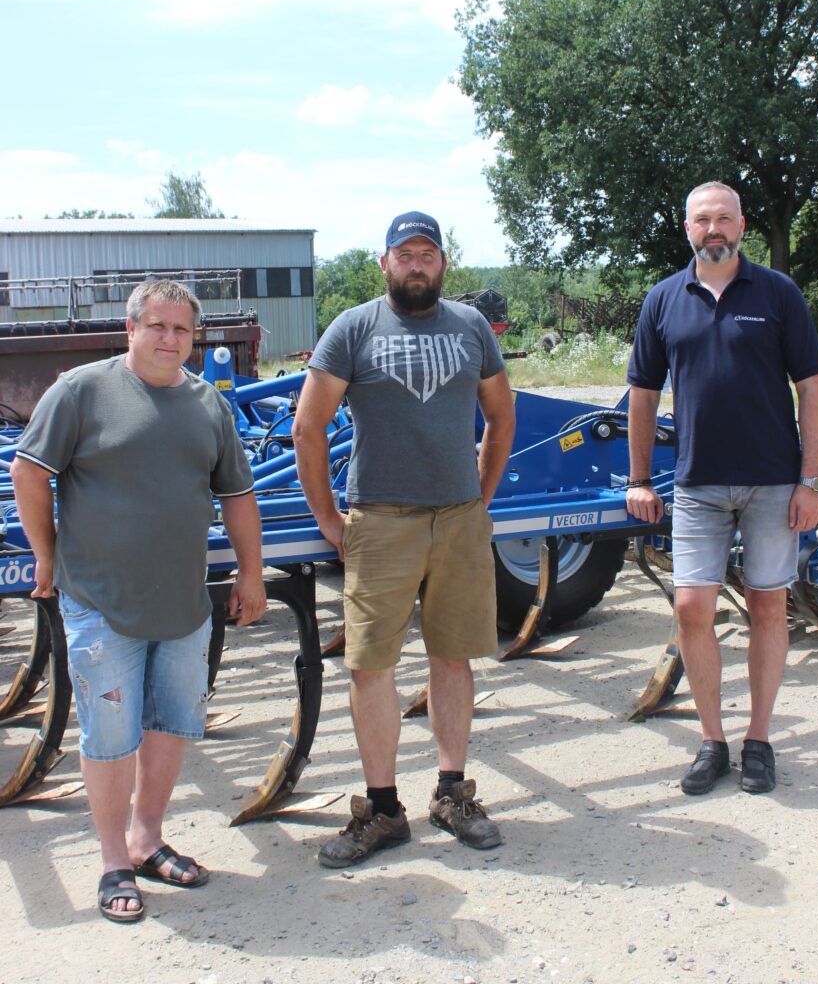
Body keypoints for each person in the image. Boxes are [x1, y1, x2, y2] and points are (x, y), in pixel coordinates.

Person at [10, 279, 267, 923]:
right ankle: (112, 862)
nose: (169, 339)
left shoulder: (208, 404)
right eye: (157, 326)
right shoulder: (82, 391)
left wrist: (252, 573)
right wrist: (45, 554)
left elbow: (236, 495)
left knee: (172, 726)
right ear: (131, 328)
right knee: (110, 737)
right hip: (102, 602)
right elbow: (29, 471)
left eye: (182, 330)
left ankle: (147, 838)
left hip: (182, 603)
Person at [292, 211, 516, 867]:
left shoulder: (471, 327)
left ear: (443, 263)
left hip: (458, 519)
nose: (417, 263)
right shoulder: (354, 329)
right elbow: (310, 426)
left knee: (454, 658)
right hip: (379, 519)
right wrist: (330, 520)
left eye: (428, 253)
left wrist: (482, 495)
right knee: (370, 665)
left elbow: (502, 418)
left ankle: (452, 793)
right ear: (384, 264)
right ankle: (383, 809)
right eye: (405, 253)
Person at [626, 181, 818, 796]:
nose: (713, 229)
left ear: (741, 226)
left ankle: (759, 739)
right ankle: (712, 741)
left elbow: (812, 389)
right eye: (701, 220)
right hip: (698, 484)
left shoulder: (778, 293)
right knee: (692, 609)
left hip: (773, 483)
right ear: (686, 228)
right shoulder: (664, 300)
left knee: (769, 606)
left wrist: (810, 481)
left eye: (723, 219)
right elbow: (642, 394)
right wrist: (637, 479)